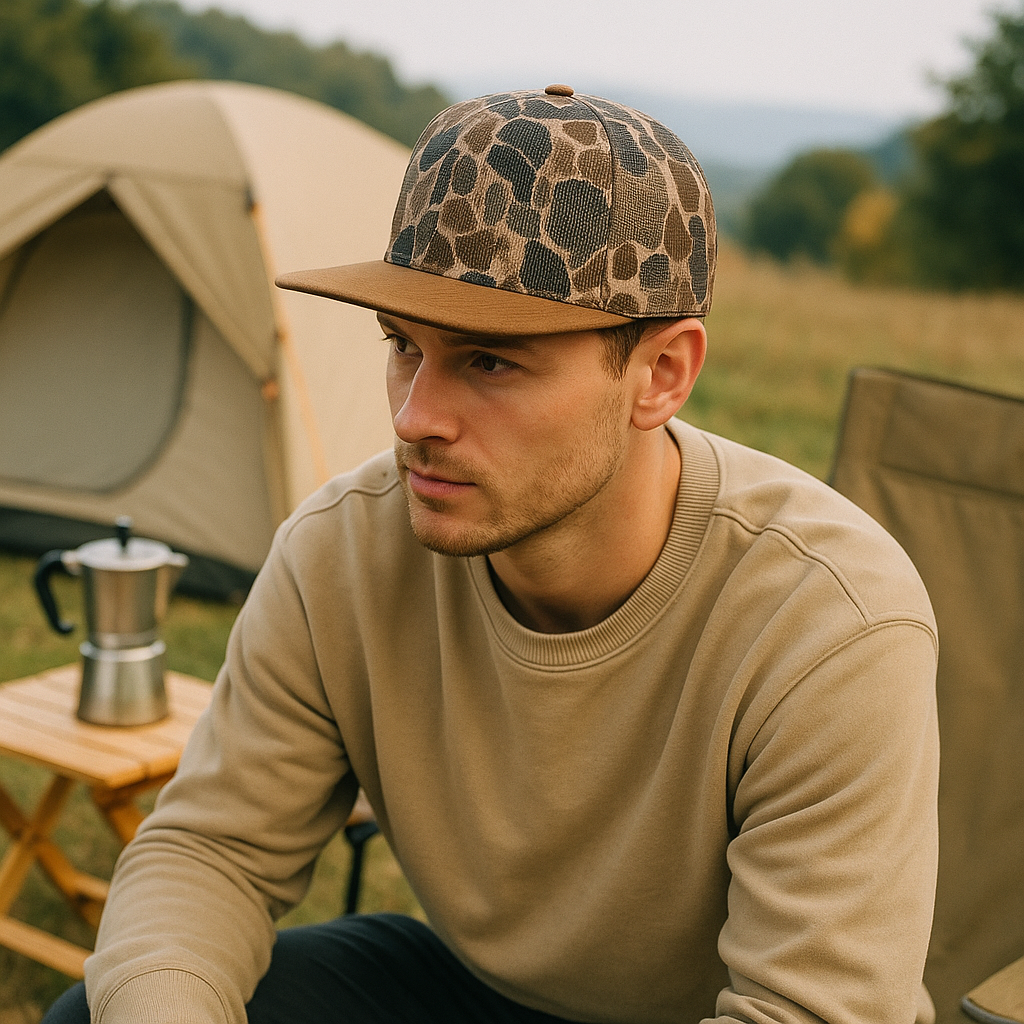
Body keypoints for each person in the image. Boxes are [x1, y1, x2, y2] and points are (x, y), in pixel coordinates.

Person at [46, 86, 939, 1024]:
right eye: (403, 346)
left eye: (491, 361)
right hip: (480, 994)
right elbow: (210, 853)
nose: (413, 417)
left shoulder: (831, 621)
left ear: (661, 374)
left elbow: (807, 1011)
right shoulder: (343, 551)